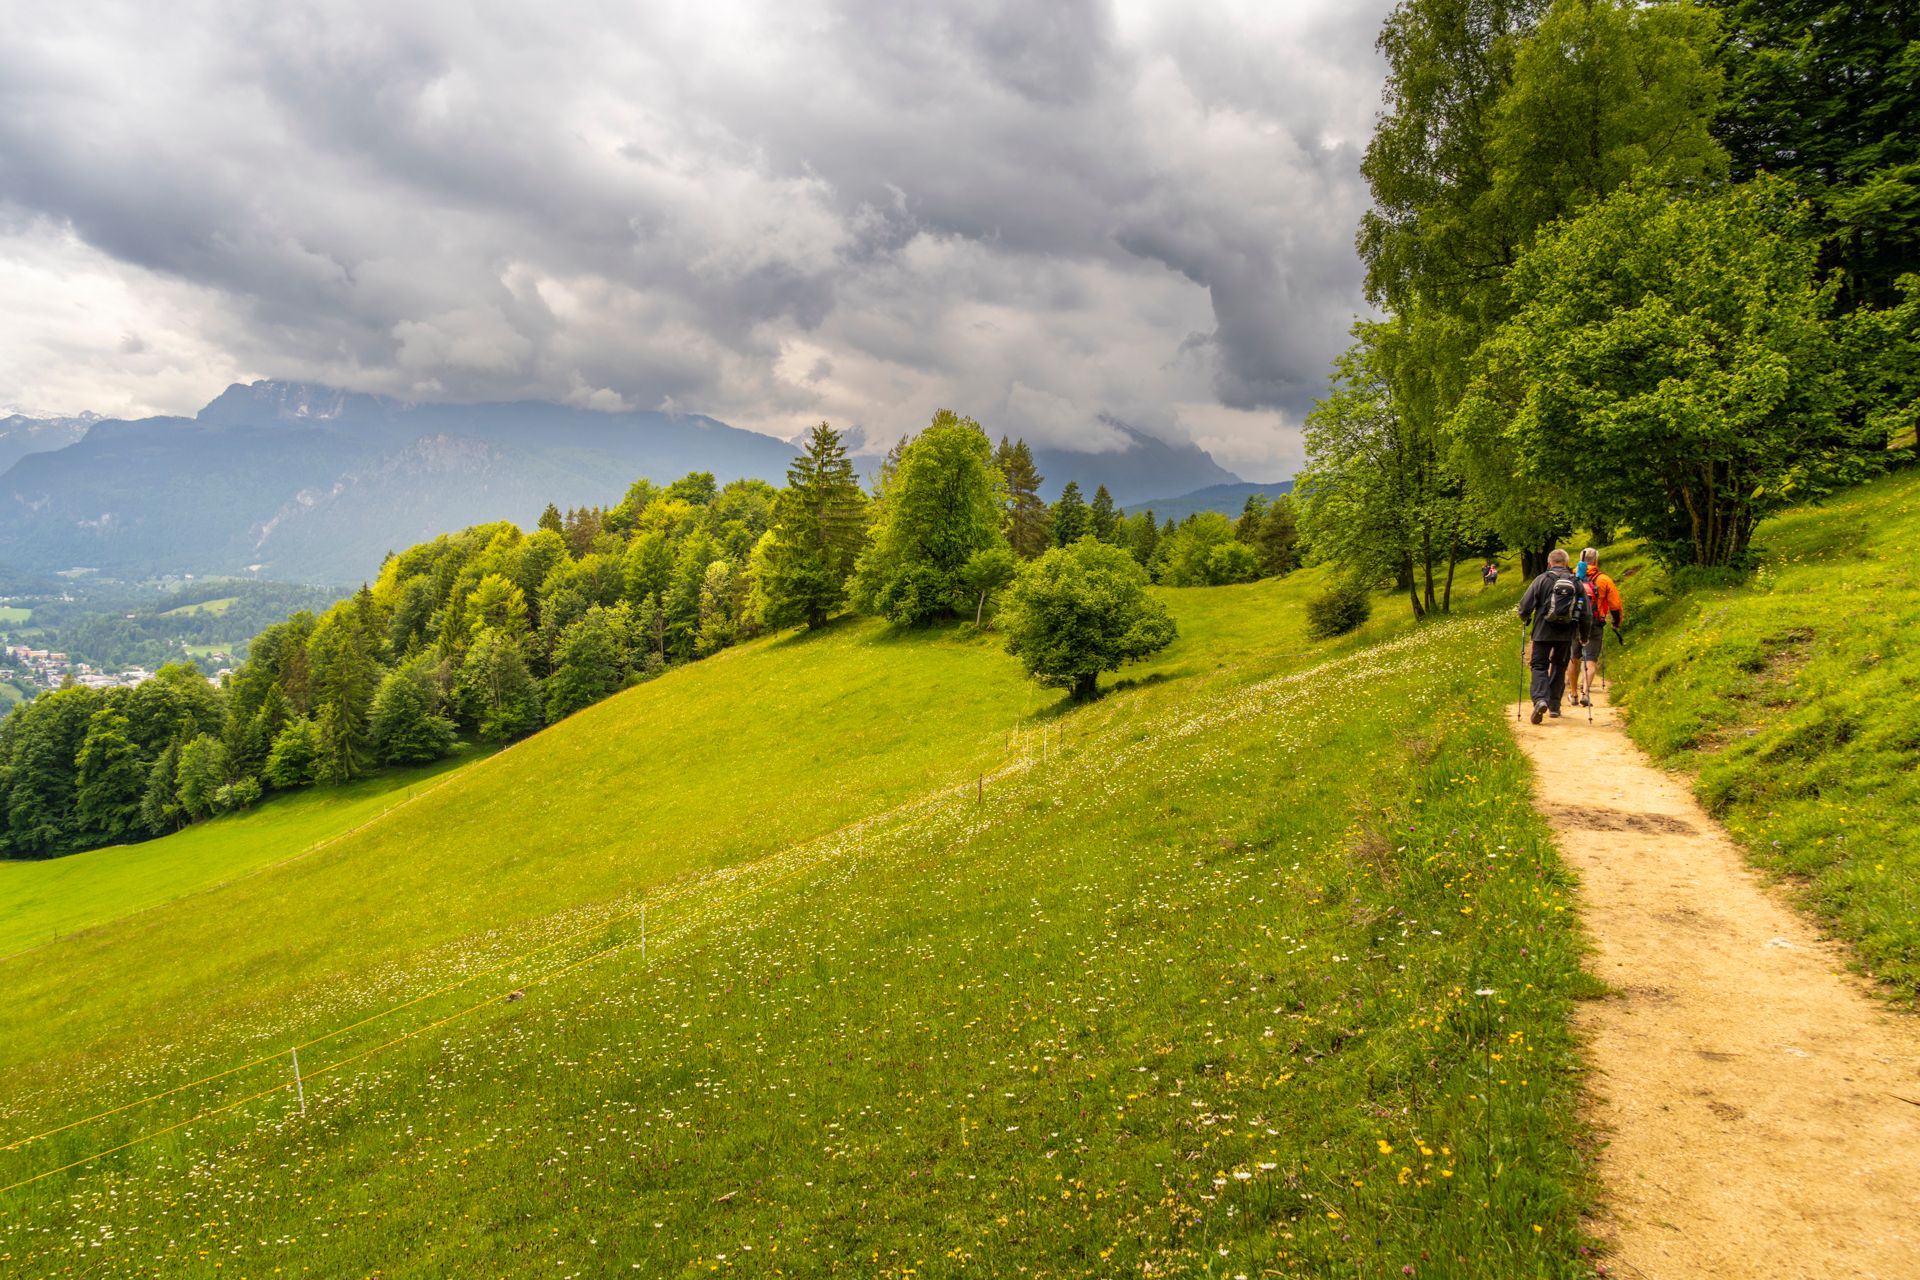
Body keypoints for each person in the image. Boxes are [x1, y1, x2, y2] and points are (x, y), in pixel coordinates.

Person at [1515, 548, 1591, 723]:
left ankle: (1540, 699)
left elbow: (1525, 606)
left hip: (1542, 631)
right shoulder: (1576, 582)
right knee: (1559, 666)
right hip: (1566, 633)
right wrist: (1584, 636)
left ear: (1549, 563)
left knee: (1539, 665)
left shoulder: (1541, 580)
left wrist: (1525, 618)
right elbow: (1586, 613)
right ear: (1566, 563)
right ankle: (1555, 706)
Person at [1574, 547, 1624, 706]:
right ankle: (1585, 692)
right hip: (1595, 622)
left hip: (1574, 621)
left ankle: (1573, 693)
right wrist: (1616, 622)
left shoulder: (1572, 575)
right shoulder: (1604, 579)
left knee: (1573, 657)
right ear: (1596, 561)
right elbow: (1615, 605)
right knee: (1590, 659)